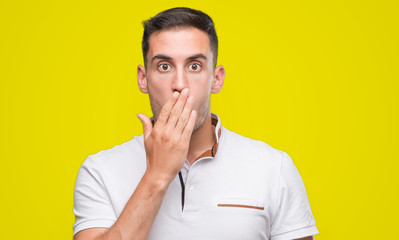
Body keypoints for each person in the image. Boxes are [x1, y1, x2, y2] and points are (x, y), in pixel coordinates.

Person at [73, 7, 319, 240]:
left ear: (216, 79)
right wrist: (157, 175)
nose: (179, 83)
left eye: (194, 66)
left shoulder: (274, 168)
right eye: (164, 66)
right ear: (143, 78)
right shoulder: (99, 172)